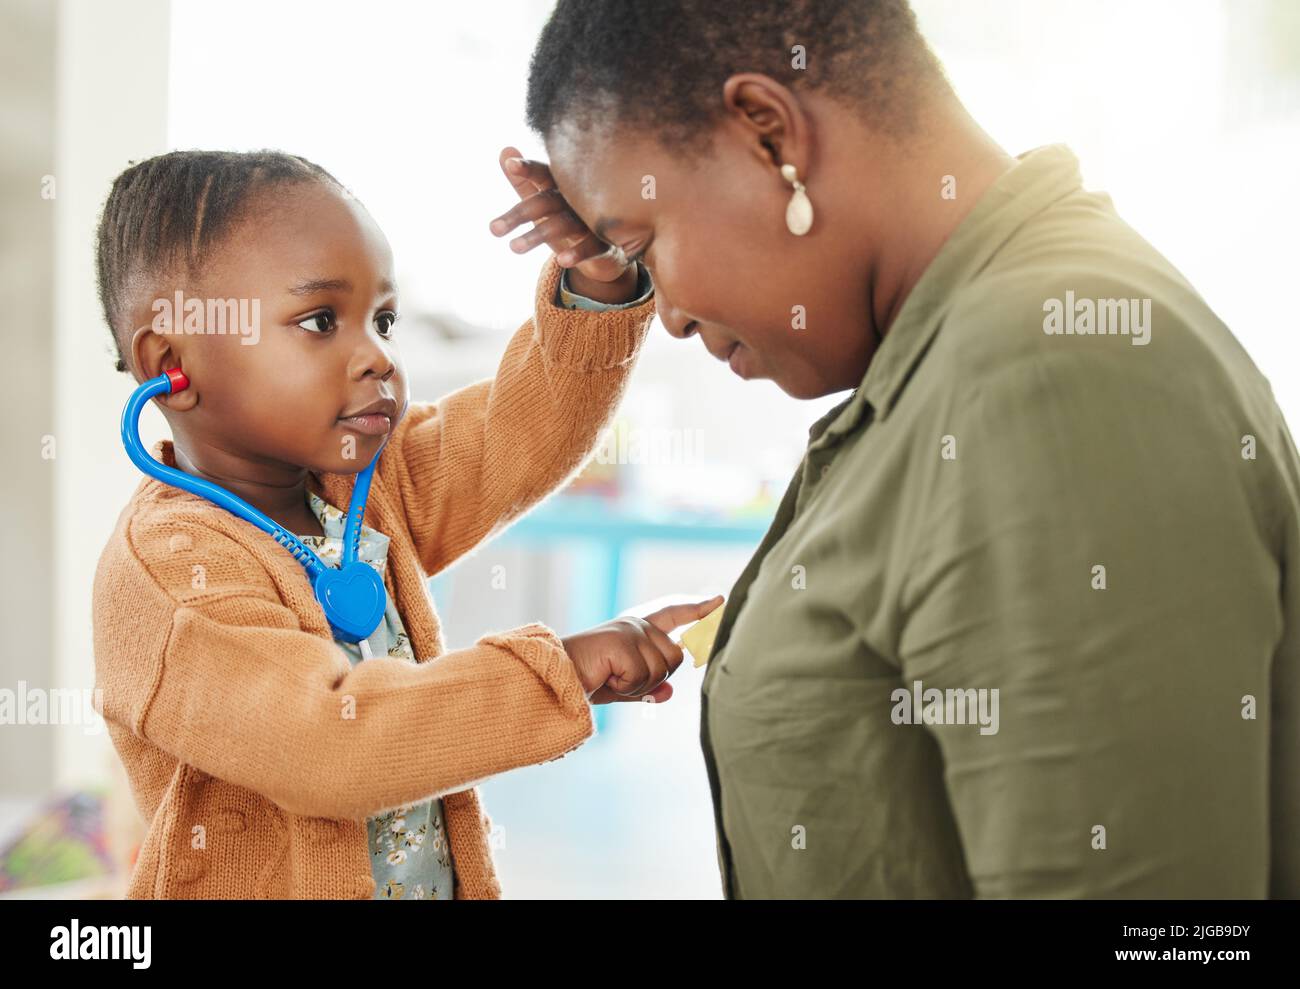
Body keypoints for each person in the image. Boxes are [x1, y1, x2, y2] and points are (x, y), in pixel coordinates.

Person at [495, 0, 1300, 897]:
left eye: (643, 245)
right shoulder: (959, 354)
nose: (670, 314)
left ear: (771, 136)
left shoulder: (1048, 370)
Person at [92, 147, 722, 899]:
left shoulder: (364, 484)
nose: (378, 357)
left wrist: (597, 283)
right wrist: (559, 670)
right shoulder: (173, 572)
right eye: (322, 319)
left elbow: (517, 435)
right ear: (173, 362)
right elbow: (330, 745)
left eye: (382, 319)